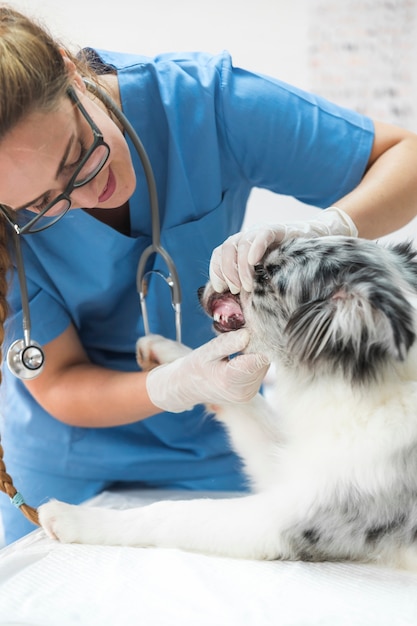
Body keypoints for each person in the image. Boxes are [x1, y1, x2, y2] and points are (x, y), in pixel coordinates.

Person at [1, 5, 417, 546]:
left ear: (72, 72)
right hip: (68, 463)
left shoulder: (205, 103)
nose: (84, 194)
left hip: (216, 445)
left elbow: (404, 158)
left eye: (80, 155)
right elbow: (55, 379)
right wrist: (170, 384)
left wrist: (328, 227)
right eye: (39, 204)